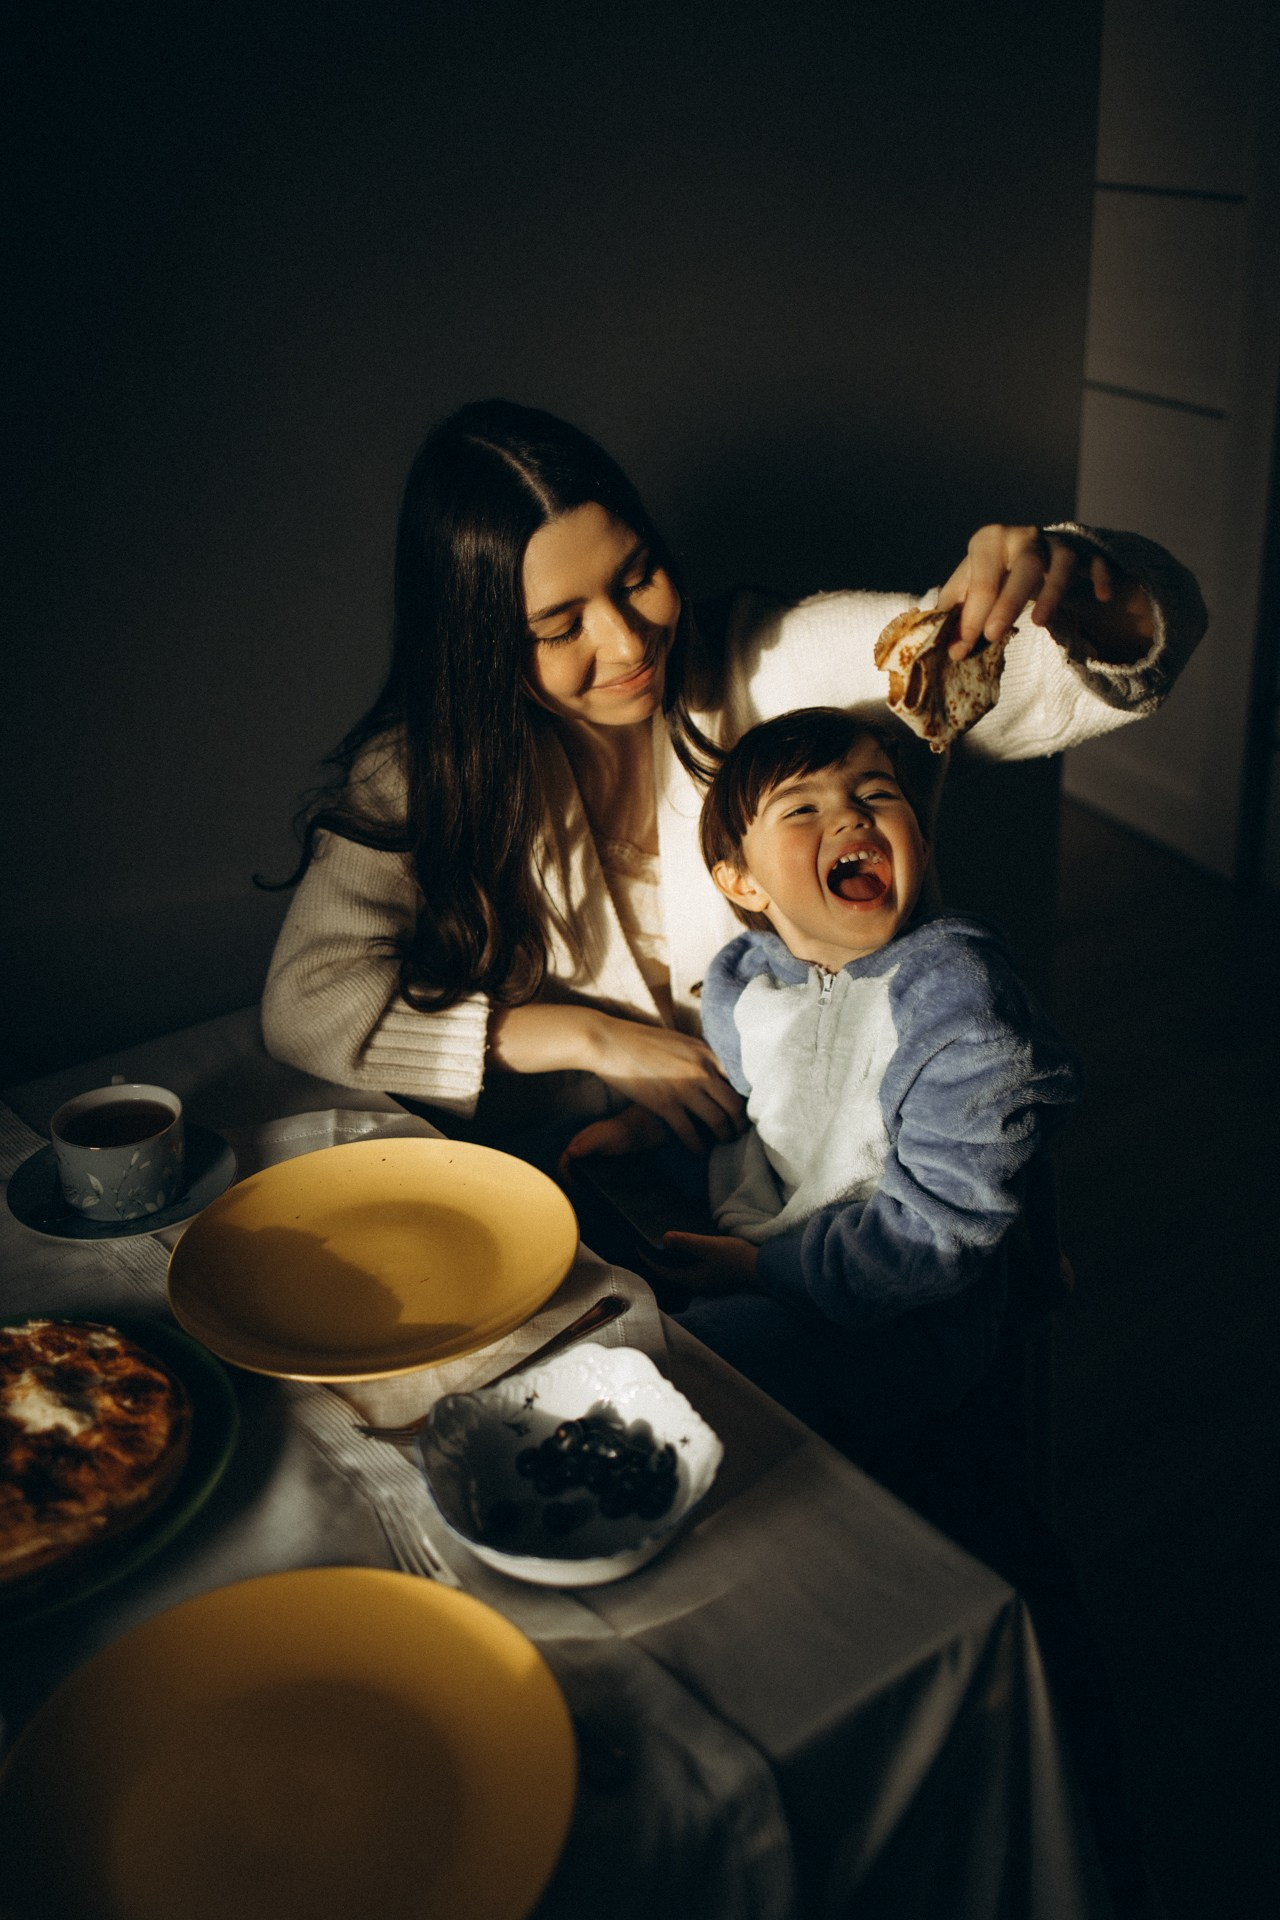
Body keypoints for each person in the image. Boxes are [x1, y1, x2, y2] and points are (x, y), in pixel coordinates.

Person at [261, 398, 1206, 1156]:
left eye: (637, 577)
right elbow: (306, 1007)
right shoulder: (423, 770)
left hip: (842, 1166)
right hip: (577, 1176)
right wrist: (590, 1039)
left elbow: (1044, 669)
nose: (628, 643)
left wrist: (1086, 592)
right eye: (562, 627)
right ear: (478, 649)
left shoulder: (771, 667)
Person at [570, 704, 1083, 1449]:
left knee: (682, 1370)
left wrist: (759, 1271)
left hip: (895, 1313)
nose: (849, 817)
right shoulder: (751, 979)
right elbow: (749, 1091)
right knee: (553, 1171)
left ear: (920, 840)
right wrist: (643, 1129)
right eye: (802, 809)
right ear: (742, 882)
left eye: (876, 794)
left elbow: (935, 1239)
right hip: (764, 1217)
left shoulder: (961, 1009)